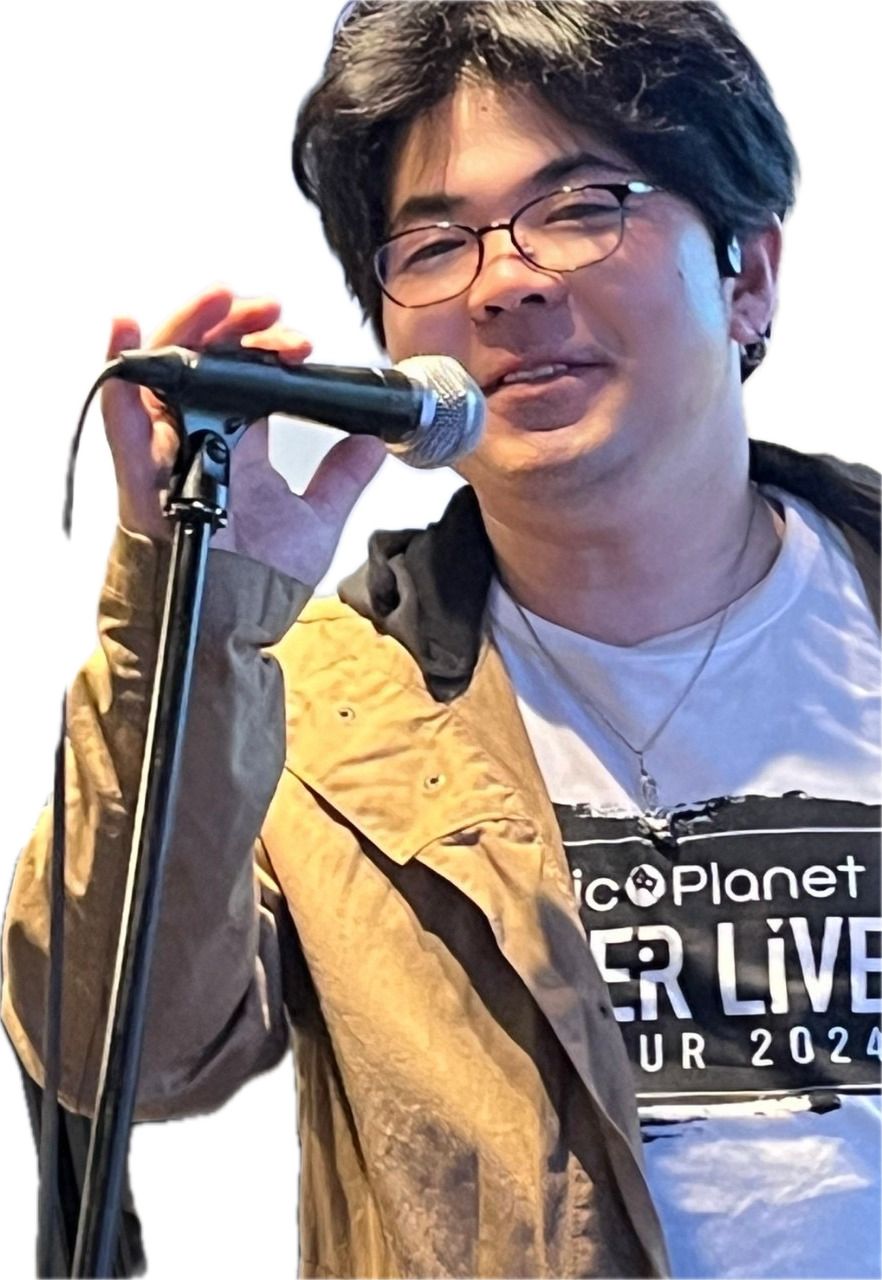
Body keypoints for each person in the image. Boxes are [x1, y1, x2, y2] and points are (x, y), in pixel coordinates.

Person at [3, 2, 879, 1276]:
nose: (507, 280)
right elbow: (109, 1043)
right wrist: (196, 609)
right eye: (434, 242)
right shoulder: (312, 706)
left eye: (582, 206)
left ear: (746, 276)